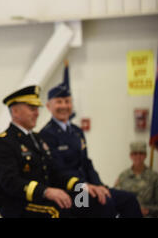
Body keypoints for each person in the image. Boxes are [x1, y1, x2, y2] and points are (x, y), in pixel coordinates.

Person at [0, 85, 116, 218]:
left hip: (45, 197)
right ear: (15, 111)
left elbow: (54, 173)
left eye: (37, 108)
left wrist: (82, 186)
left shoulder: (37, 139)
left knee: (96, 202)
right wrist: (46, 191)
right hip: (19, 204)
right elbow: (11, 182)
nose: (37, 113)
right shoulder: (3, 142)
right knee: (58, 212)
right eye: (32, 109)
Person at [39, 83, 142, 218]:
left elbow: (86, 163)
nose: (64, 106)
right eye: (59, 102)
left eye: (67, 101)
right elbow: (58, 171)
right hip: (72, 191)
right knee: (104, 203)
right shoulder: (46, 135)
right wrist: (84, 186)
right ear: (49, 106)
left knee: (129, 200)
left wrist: (99, 185)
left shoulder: (77, 132)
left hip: (90, 186)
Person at [115, 141, 158, 217]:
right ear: (131, 156)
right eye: (135, 153)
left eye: (141, 153)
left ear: (145, 155)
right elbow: (115, 200)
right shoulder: (123, 176)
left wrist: (147, 210)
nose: (138, 156)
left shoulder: (154, 177)